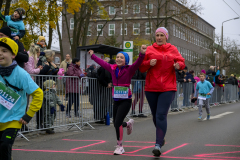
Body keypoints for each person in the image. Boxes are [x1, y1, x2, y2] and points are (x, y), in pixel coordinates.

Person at [88, 46, 146, 155]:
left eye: (121, 58)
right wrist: (92, 56)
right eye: (117, 57)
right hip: (116, 100)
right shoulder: (112, 68)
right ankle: (128, 124)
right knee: (116, 123)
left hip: (126, 100)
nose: (119, 59)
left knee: (118, 122)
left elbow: (138, 63)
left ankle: (120, 146)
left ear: (126, 60)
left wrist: (142, 54)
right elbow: (102, 62)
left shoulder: (130, 69)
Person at [139, 27, 185, 157]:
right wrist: (148, 63)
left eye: (161, 35)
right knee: (155, 116)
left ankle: (158, 144)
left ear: (166, 37)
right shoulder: (149, 49)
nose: (159, 37)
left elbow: (181, 62)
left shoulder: (173, 49)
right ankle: (161, 136)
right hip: (151, 87)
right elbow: (141, 67)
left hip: (168, 87)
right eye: (157, 35)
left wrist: (178, 65)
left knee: (160, 115)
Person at [0, 37, 43, 160]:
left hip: (14, 119)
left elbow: (38, 94)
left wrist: (28, 114)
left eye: (4, 51)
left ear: (13, 55)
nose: (0, 53)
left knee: (4, 146)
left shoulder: (22, 74)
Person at [35, 50, 59, 129]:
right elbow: (40, 73)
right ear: (48, 56)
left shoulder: (49, 63)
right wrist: (48, 67)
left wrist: (56, 69)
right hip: (41, 84)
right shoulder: (40, 61)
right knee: (41, 105)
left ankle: (46, 123)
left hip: (48, 85)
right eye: (52, 56)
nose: (53, 57)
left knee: (47, 105)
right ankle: (39, 123)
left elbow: (52, 74)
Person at [94, 58, 114, 123]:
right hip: (101, 88)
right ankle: (101, 117)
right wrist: (107, 84)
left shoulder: (105, 68)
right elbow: (101, 78)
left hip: (104, 88)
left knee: (105, 103)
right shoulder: (104, 69)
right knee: (103, 103)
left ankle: (103, 117)